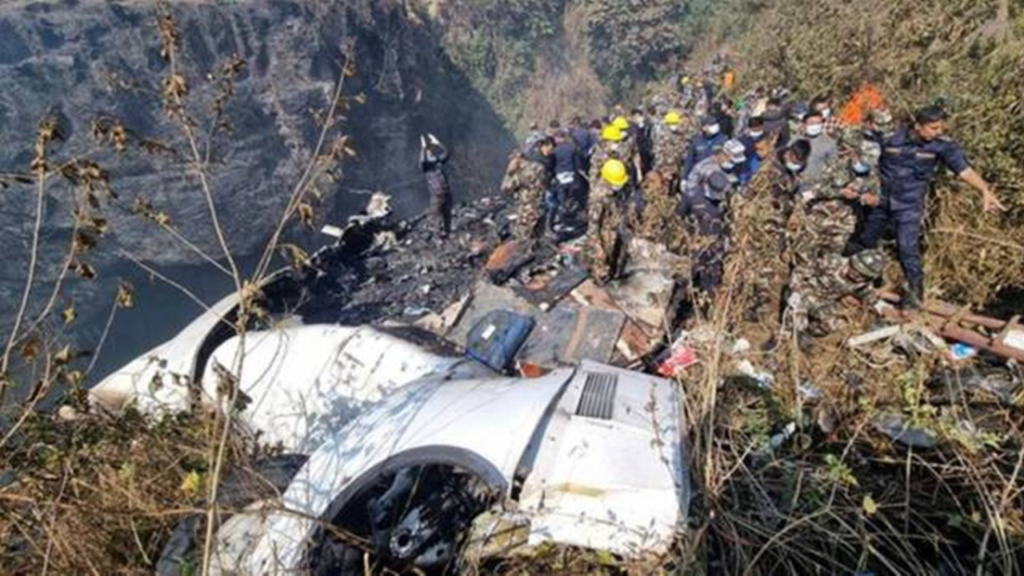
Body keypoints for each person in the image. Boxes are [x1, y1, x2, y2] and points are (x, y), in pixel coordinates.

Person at [845, 105, 1004, 309]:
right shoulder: (891, 137)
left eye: (940, 128)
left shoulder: (942, 146)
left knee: (907, 247)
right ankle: (864, 283)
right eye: (933, 128)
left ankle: (915, 292)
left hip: (909, 205)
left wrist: (984, 190)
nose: (938, 132)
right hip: (880, 201)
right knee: (866, 240)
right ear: (918, 126)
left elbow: (963, 171)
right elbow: (862, 149)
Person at [731, 139, 811, 349]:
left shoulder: (792, 173)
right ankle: (748, 311)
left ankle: (762, 311)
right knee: (755, 270)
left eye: (800, 161)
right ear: (789, 154)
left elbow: (789, 198)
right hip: (760, 229)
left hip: (776, 230)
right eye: (794, 158)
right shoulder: (770, 169)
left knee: (771, 272)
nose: (796, 162)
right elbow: (749, 195)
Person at [790, 250, 885, 337]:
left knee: (836, 324)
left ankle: (810, 334)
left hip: (826, 303)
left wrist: (879, 308)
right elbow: (800, 271)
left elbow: (869, 297)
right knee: (798, 323)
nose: (856, 274)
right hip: (807, 293)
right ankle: (795, 331)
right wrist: (795, 291)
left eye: (862, 274)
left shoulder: (863, 284)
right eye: (855, 268)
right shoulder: (833, 262)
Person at [678, 171, 732, 297]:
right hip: (697, 244)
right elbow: (679, 216)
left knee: (714, 278)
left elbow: (730, 217)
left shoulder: (726, 197)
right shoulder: (692, 196)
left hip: (717, 244)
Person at [585, 159, 634, 285]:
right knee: (601, 262)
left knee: (612, 256)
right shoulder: (599, 197)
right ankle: (599, 282)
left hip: (611, 230)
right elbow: (593, 226)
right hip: (602, 235)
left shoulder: (610, 191)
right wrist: (598, 247)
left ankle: (609, 275)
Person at [500, 136, 554, 243]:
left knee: (523, 242)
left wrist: (509, 172)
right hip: (540, 208)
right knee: (538, 241)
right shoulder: (539, 167)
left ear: (517, 159)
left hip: (526, 212)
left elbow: (505, 188)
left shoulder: (521, 173)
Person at [549, 129, 585, 235]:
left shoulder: (555, 151)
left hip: (560, 175)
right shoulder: (572, 148)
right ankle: (572, 218)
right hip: (571, 175)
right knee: (573, 198)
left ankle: (562, 219)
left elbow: (552, 164)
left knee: (561, 200)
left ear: (558, 138)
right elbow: (578, 164)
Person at [420, 133, 452, 238]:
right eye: (428, 152)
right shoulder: (426, 166)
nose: (430, 153)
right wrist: (423, 149)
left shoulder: (438, 162)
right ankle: (437, 237)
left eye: (431, 151)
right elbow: (422, 161)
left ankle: (448, 234)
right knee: (436, 216)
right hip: (436, 195)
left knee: (447, 215)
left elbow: (447, 152)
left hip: (446, 192)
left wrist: (438, 143)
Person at [801, 109, 838, 182]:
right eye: (812, 123)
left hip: (816, 184)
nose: (815, 126)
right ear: (804, 124)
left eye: (818, 123)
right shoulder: (795, 139)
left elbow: (834, 166)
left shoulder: (829, 143)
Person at [650, 110, 687, 178]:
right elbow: (658, 153)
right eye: (671, 123)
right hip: (665, 168)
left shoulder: (680, 135)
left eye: (675, 123)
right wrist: (663, 170)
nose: (674, 125)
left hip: (677, 167)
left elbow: (682, 149)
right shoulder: (662, 135)